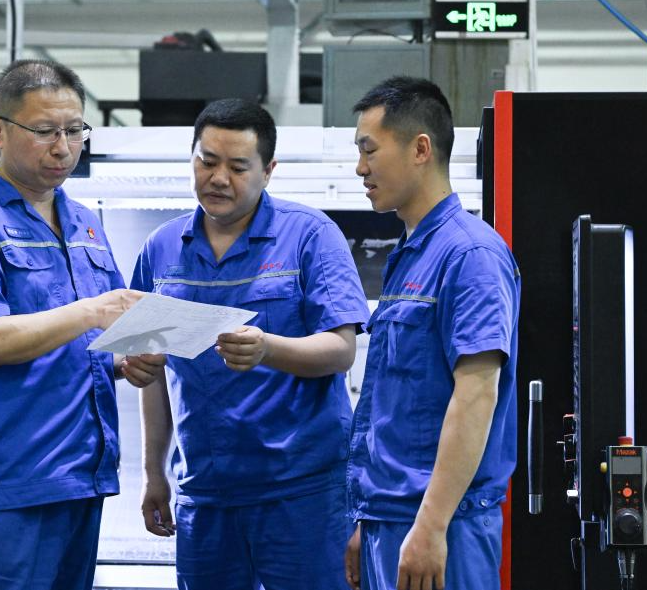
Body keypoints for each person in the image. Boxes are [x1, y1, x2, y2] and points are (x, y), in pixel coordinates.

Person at [0, 59, 161, 590]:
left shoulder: (84, 224)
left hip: (81, 477)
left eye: (74, 131)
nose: (63, 148)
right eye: (45, 131)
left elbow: (87, 344)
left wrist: (125, 362)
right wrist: (92, 312)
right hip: (7, 483)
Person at [132, 98, 369, 590]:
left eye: (238, 167)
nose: (218, 178)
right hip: (205, 495)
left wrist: (269, 349)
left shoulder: (310, 236)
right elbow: (152, 373)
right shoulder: (161, 249)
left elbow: (341, 350)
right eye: (207, 161)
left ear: (268, 170)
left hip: (301, 492)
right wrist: (153, 472)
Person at [344, 77, 520, 590]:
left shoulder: (471, 255)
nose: (360, 168)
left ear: (421, 149)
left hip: (443, 526)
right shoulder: (411, 254)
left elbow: (477, 394)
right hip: (392, 518)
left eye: (369, 150)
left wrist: (431, 524)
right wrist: (369, 517)